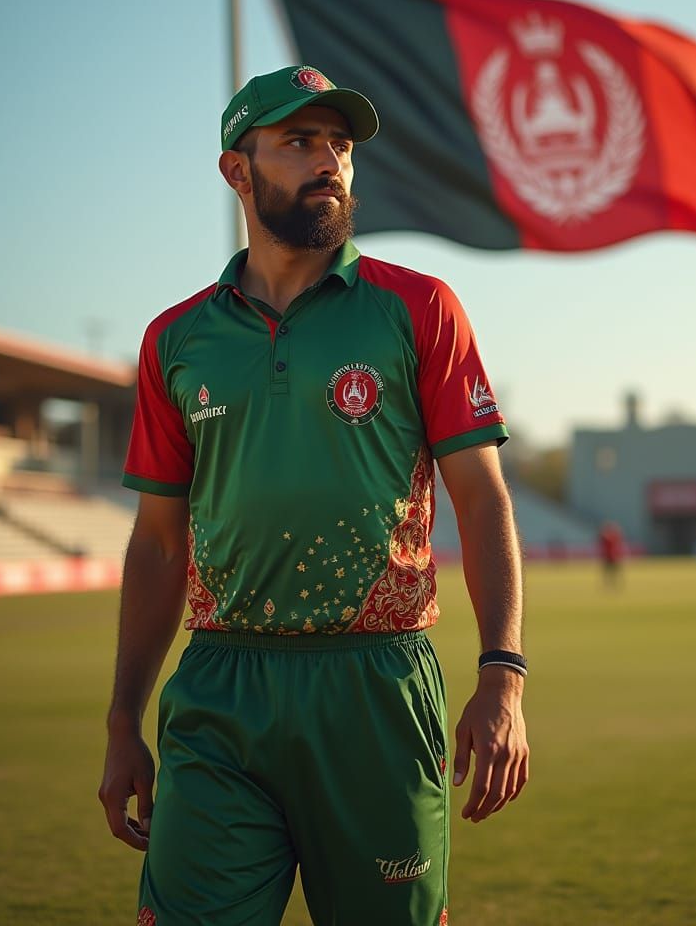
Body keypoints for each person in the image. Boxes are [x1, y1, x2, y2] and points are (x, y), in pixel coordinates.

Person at [98, 65, 529, 926]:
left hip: (374, 684)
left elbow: (482, 500)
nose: (329, 159)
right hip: (222, 684)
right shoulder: (175, 340)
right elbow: (155, 544)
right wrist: (121, 722)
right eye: (299, 141)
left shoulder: (421, 309)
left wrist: (503, 676)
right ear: (237, 169)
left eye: (340, 144)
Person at [598, 520, 625, 589]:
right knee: (608, 572)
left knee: (613, 572)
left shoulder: (612, 537)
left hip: (613, 556)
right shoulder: (608, 537)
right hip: (609, 557)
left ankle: (614, 584)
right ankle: (610, 585)